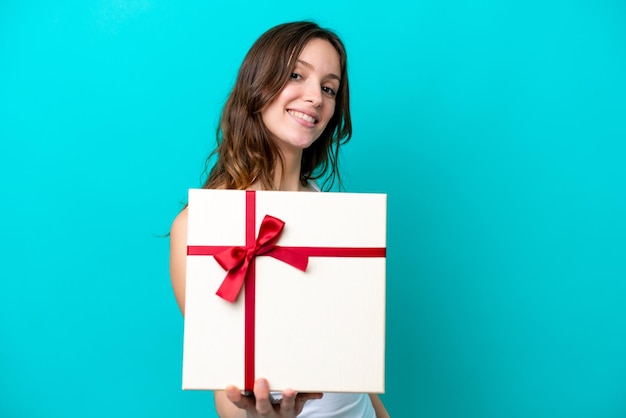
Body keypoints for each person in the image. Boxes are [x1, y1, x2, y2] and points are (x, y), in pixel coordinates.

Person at [169, 21, 390, 418]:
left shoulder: (335, 216)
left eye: (329, 88)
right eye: (296, 75)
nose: (315, 98)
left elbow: (358, 368)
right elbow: (225, 383)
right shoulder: (201, 226)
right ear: (258, 83)